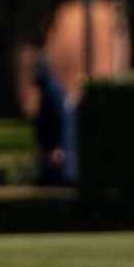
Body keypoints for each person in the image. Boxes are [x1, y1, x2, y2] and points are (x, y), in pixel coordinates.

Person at [31, 55, 78, 187]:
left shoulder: (52, 93)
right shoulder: (50, 91)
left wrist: (59, 146)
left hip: (56, 153)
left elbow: (63, 121)